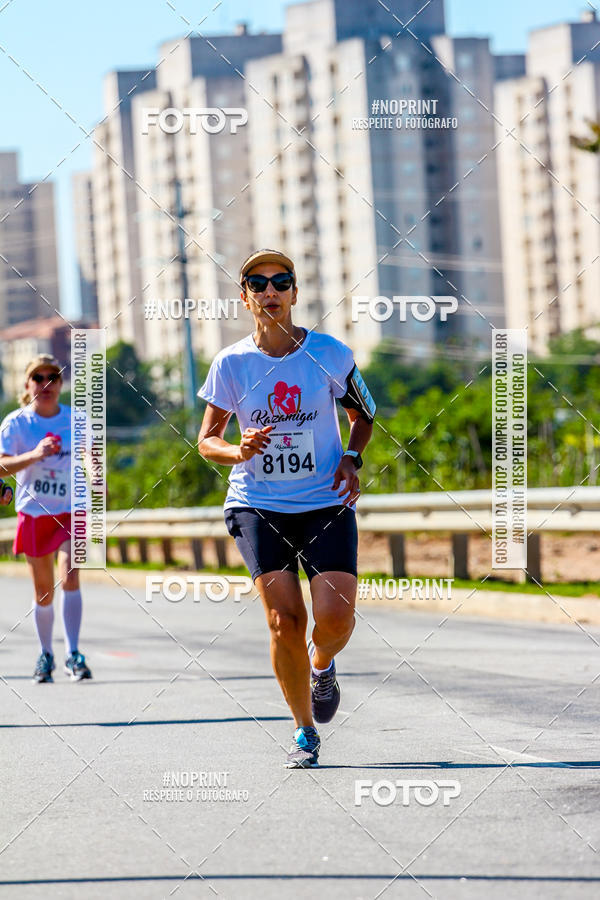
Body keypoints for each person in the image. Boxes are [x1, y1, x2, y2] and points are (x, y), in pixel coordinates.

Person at [197, 250, 376, 767]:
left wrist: (350, 457)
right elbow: (208, 441)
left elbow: (364, 414)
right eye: (258, 282)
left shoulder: (330, 353)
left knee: (335, 619)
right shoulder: (231, 363)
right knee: (283, 620)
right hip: (258, 505)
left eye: (281, 281)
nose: (270, 289)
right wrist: (239, 450)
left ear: (295, 294)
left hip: (325, 502)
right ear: (246, 297)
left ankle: (323, 665)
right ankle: (303, 730)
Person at [0, 355, 92, 683]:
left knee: (69, 576)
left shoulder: (76, 419)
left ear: (61, 383)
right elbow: (1, 467)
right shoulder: (16, 424)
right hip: (35, 512)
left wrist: (98, 477)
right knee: (43, 591)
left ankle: (73, 653)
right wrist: (36, 454)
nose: (46, 384)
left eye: (53, 377)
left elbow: (91, 457)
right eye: (38, 378)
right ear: (27, 386)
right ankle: (46, 653)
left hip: (70, 511)